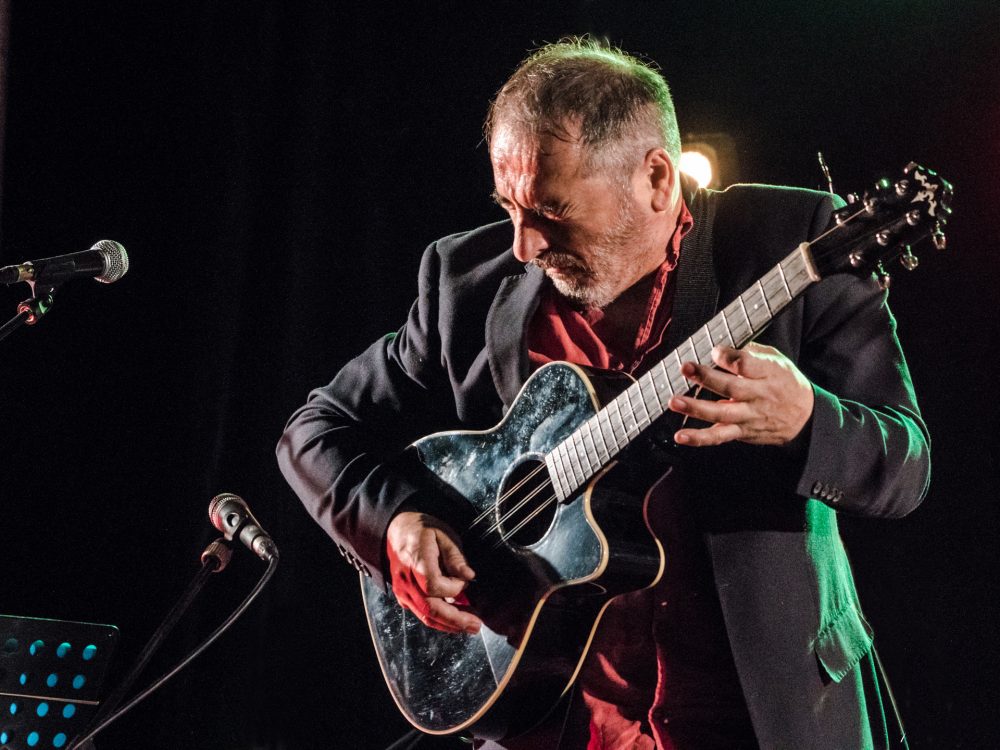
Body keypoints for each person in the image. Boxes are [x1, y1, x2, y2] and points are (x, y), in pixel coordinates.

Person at [277, 38, 928, 750]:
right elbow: (315, 429)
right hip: (556, 721)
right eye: (508, 207)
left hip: (765, 716)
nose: (523, 246)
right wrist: (395, 526)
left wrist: (805, 418)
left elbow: (905, 465)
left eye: (550, 211)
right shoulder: (465, 282)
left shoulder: (789, 241)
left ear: (656, 178)